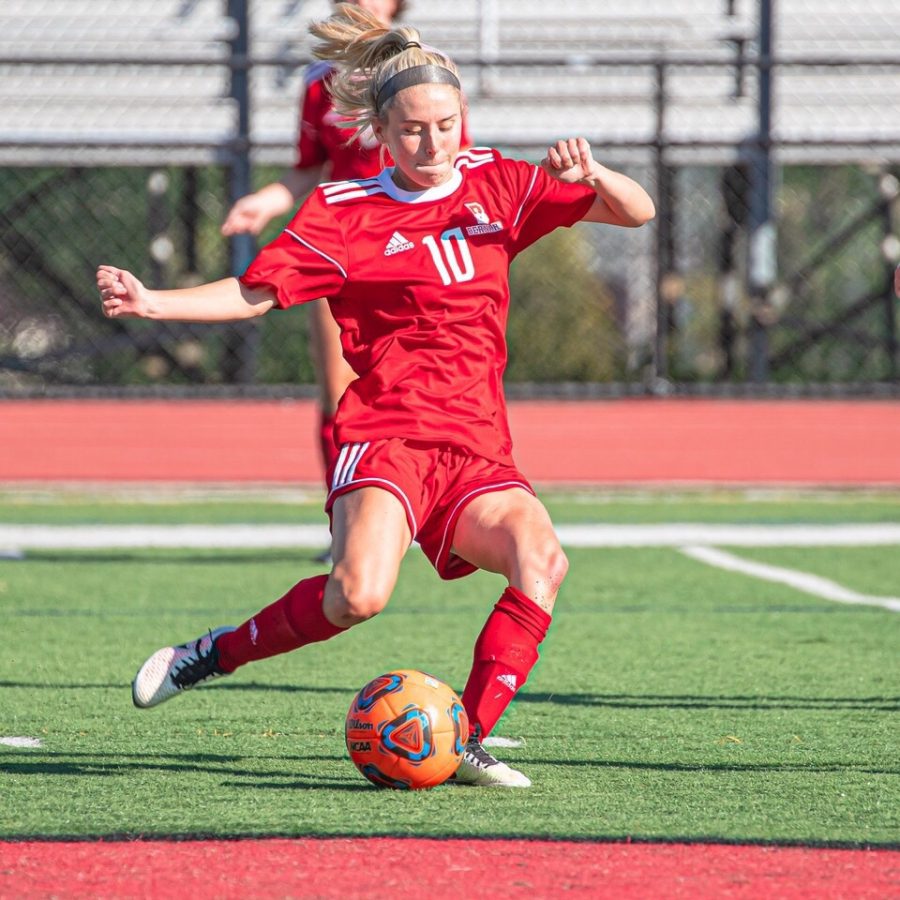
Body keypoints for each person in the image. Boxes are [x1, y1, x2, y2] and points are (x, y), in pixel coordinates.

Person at [98, 2, 655, 787]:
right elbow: (256, 293)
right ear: (381, 134)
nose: (433, 143)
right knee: (356, 595)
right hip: (388, 434)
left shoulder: (500, 183)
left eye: (446, 123)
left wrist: (594, 173)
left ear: (465, 117)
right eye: (414, 129)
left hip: (477, 449)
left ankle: (462, 740)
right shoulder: (345, 212)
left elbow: (637, 212)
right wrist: (155, 301)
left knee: (542, 558)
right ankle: (209, 654)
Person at [222, 0, 470, 535]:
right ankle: (347, 525)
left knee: (444, 386)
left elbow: (455, 164)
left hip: (422, 255)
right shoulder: (320, 82)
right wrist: (265, 202)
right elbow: (309, 170)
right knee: (339, 395)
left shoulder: (425, 69)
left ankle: (444, 510)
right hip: (349, 251)